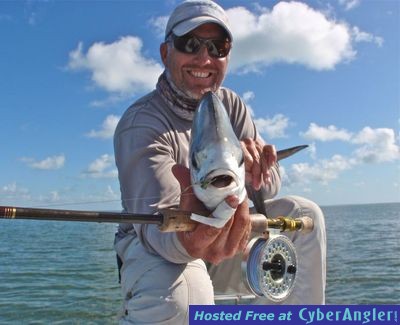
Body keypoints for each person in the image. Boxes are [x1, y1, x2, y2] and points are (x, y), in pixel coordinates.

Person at [113, 0, 326, 323]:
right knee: (185, 299)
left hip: (229, 225)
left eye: (218, 46)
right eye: (190, 44)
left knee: (305, 214)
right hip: (159, 242)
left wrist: (257, 170)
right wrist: (192, 239)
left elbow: (269, 185)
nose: (204, 57)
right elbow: (155, 229)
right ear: (165, 52)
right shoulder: (141, 123)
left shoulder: (232, 104)